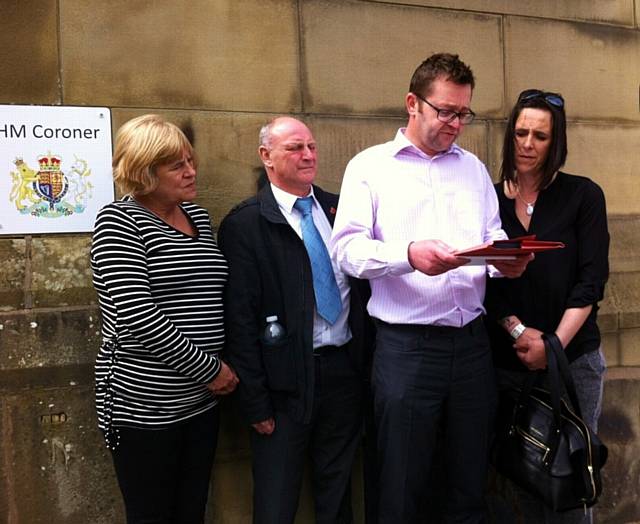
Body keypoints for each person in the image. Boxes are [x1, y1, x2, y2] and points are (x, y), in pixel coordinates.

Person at [330, 53, 532, 523]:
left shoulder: (473, 169)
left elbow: (492, 235)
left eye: (464, 113)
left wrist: (506, 261)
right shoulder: (370, 167)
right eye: (446, 111)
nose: (457, 123)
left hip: (472, 346)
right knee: (401, 483)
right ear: (412, 104)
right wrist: (408, 255)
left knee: (469, 482)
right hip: (406, 350)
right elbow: (347, 252)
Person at [218, 116, 371, 524]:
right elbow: (241, 321)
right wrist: (254, 400)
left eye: (312, 147)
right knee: (276, 499)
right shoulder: (246, 224)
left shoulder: (340, 210)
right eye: (295, 148)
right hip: (283, 385)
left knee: (338, 493)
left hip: (342, 373)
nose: (308, 155)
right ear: (266, 156)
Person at [90, 114, 238, 524]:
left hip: (200, 402)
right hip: (145, 406)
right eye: (177, 165)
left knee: (191, 512)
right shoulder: (119, 222)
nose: (191, 171)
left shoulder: (198, 217)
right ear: (144, 171)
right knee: (152, 515)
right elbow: (137, 314)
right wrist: (211, 369)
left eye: (191, 160)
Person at [484, 89, 609, 524]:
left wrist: (552, 345)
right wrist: (520, 332)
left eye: (540, 135)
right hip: (506, 363)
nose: (528, 143)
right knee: (510, 484)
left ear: (556, 142)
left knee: (567, 483)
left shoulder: (583, 196)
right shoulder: (487, 198)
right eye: (520, 132)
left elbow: (590, 284)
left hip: (573, 361)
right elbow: (481, 281)